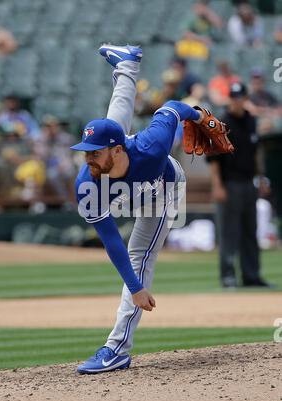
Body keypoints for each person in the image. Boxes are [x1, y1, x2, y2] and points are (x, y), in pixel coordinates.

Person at [71, 44, 209, 374]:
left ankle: (116, 349)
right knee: (112, 122)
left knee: (140, 256)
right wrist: (134, 288)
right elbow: (110, 240)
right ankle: (128, 63)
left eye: (94, 152)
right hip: (123, 175)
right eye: (85, 152)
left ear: (116, 151)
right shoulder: (88, 183)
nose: (87, 157)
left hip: (163, 189)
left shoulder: (152, 146)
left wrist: (199, 115)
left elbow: (174, 107)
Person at [207, 82, 273, 289]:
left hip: (248, 182)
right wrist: (217, 186)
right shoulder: (222, 124)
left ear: (245, 98)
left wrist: (260, 177)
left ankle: (251, 275)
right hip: (229, 183)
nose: (237, 101)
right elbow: (214, 159)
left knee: (249, 231)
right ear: (230, 99)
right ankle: (228, 276)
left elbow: (255, 153)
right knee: (228, 232)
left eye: (240, 97)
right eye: (233, 97)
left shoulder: (250, 121)